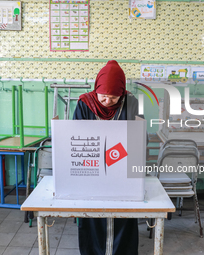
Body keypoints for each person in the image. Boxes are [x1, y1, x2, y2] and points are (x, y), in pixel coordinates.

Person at [73, 60, 141, 255]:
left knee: (123, 216)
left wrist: (112, 157)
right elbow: (76, 139)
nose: (108, 102)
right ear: (96, 90)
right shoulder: (85, 103)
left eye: (113, 98)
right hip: (91, 170)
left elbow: (138, 137)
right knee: (93, 215)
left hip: (123, 171)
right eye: (103, 97)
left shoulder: (131, 102)